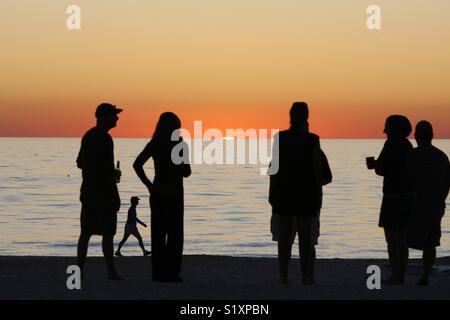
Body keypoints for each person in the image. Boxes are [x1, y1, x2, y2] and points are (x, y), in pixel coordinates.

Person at [268, 102, 326, 285]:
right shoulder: (313, 140)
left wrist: (272, 192)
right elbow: (317, 170)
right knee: (305, 238)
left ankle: (284, 275)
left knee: (284, 238)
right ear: (307, 117)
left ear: (290, 116)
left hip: (284, 192)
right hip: (306, 193)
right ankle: (306, 275)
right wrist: (318, 196)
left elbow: (273, 169)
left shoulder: (280, 138)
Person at [133, 112, 191, 282]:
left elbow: (137, 164)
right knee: (175, 235)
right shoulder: (180, 145)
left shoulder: (155, 143)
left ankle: (158, 274)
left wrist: (149, 185)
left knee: (158, 235)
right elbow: (186, 172)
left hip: (157, 193)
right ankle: (172, 273)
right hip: (174, 194)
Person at [76, 103, 123, 280]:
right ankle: (111, 272)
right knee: (108, 233)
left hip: (88, 191)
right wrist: (115, 194)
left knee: (85, 233)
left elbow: (79, 162)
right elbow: (107, 173)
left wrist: (90, 169)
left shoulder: (88, 135)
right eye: (114, 115)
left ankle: (79, 270)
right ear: (104, 117)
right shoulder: (105, 138)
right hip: (103, 194)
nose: (117, 118)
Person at [366, 115, 415, 285]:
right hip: (408, 196)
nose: (384, 130)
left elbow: (383, 169)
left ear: (393, 129)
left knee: (392, 238)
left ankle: (396, 275)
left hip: (393, 197)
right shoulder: (408, 145)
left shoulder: (391, 144)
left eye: (386, 126)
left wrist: (374, 165)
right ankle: (399, 274)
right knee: (402, 238)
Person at [408, 121, 450, 285]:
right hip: (436, 205)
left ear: (415, 136)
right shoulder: (442, 156)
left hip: (414, 205)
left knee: (402, 239)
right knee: (430, 243)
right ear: (432, 135)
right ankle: (425, 275)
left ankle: (399, 274)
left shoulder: (412, 155)